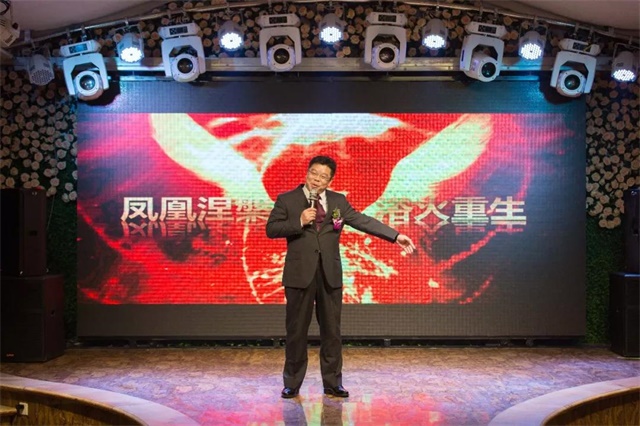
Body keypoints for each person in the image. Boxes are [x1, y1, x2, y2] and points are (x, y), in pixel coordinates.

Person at [266, 155, 416, 399]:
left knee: (332, 333)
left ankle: (333, 382)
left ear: (329, 181)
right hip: (299, 275)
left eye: (323, 177)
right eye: (314, 173)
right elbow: (271, 229)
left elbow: (363, 221)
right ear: (307, 173)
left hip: (330, 275)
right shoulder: (287, 199)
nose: (317, 179)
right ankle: (292, 382)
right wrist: (299, 221)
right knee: (296, 332)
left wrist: (395, 236)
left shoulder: (337, 202)